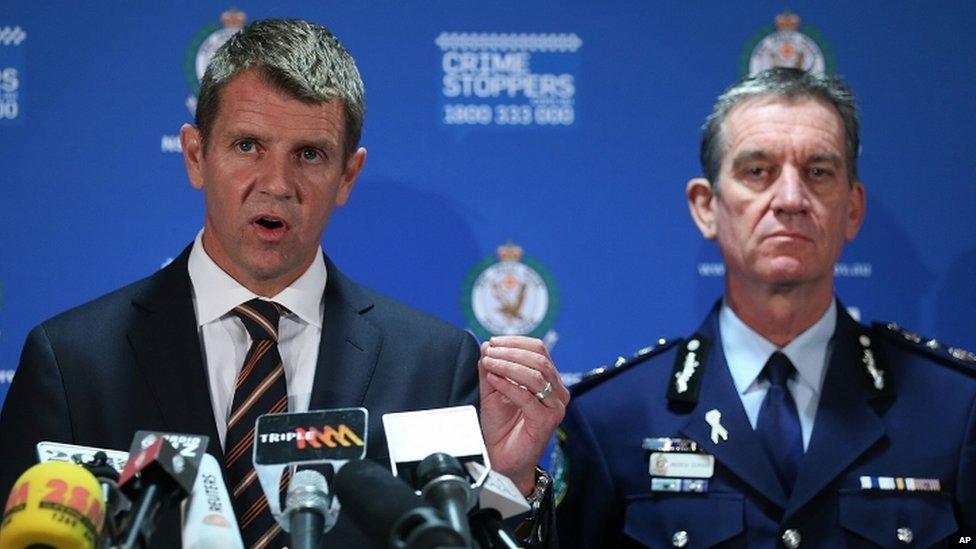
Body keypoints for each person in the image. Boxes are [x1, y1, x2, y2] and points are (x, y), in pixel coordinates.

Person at [0, 18, 568, 548]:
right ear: (196, 156)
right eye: (248, 146)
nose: (276, 183)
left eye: (310, 155)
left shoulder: (433, 364)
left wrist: (510, 481)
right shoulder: (74, 362)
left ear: (348, 175)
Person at [554, 68, 975, 547]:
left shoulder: (954, 409)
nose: (791, 199)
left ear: (853, 210)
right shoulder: (612, 417)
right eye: (758, 171)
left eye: (818, 172)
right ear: (706, 207)